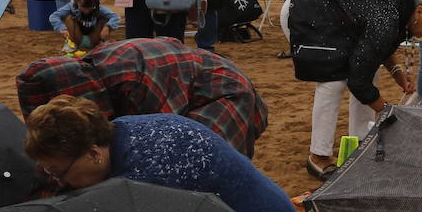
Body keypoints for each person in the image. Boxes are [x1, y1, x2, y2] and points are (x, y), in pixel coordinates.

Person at [24, 95, 298, 212]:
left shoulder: (146, 177)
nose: (60, 181)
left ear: (93, 154)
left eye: (60, 172)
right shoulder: (121, 128)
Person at [286, 0, 422, 177]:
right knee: (334, 81)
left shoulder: (403, 4)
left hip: (327, 14)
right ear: (420, 12)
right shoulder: (390, 17)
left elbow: (377, 47)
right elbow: (358, 82)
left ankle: (361, 140)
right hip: (304, 11)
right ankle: (318, 157)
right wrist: (389, 114)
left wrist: (398, 75)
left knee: (368, 70)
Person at [18, 37, 268, 157]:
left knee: (199, 164)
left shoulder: (132, 83)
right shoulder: (88, 79)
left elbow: (165, 140)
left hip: (221, 92)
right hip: (190, 85)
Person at [49, 0, 121, 53]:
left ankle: (101, 44)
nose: (86, 11)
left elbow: (115, 17)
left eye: (89, 8)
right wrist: (62, 29)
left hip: (94, 38)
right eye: (83, 8)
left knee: (104, 19)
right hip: (77, 38)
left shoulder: (98, 7)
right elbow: (54, 16)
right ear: (77, 1)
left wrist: (108, 27)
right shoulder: (71, 6)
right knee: (69, 18)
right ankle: (70, 45)